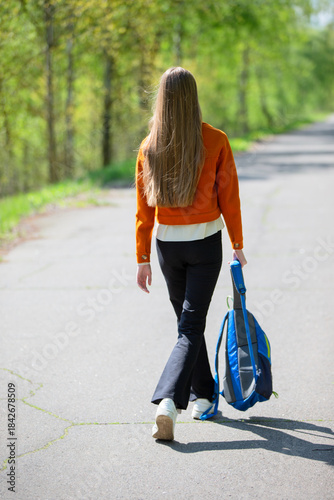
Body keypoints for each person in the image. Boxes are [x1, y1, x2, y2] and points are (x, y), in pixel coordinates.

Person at [135, 67, 247, 441]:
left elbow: (142, 209)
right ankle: (168, 400)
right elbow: (229, 195)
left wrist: (143, 259)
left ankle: (205, 394)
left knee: (187, 324)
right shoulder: (215, 140)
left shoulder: (149, 145)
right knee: (190, 326)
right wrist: (237, 244)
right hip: (204, 245)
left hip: (167, 249)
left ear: (162, 99)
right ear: (193, 97)